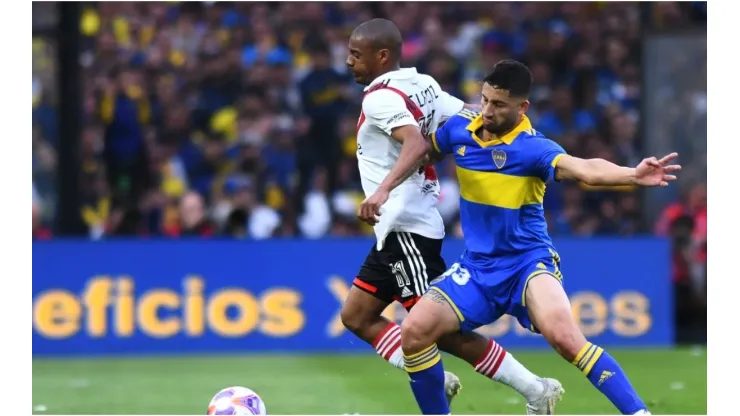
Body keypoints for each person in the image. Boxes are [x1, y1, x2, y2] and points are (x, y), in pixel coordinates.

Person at [359, 59, 680, 415]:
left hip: (528, 264)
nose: (487, 111)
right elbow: (420, 151)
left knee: (566, 339)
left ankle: (640, 413)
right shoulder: (460, 129)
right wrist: (384, 178)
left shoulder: (533, 148)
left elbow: (585, 169)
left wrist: (632, 175)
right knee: (415, 331)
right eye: (484, 100)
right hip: (478, 268)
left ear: (522, 107)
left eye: (498, 105)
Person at [344, 20, 563, 414]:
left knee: (437, 332)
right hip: (396, 229)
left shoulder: (378, 99)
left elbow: (414, 142)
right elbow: (468, 116)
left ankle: (534, 388)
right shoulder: (422, 84)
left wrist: (382, 189)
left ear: (382, 56)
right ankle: (437, 377)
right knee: (357, 316)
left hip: (408, 226)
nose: (348, 62)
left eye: (356, 55)